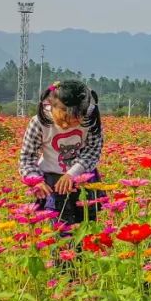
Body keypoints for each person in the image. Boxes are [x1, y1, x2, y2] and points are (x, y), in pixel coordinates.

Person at [18, 80, 104, 231]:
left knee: (87, 225)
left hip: (83, 176)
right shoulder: (39, 123)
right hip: (52, 181)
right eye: (63, 119)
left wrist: (72, 174)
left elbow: (92, 151)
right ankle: (61, 254)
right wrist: (35, 180)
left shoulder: (89, 121)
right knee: (60, 230)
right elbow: (27, 157)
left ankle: (83, 254)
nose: (66, 126)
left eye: (75, 121)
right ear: (51, 104)